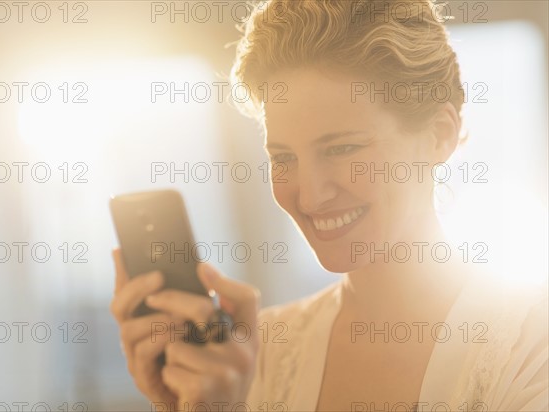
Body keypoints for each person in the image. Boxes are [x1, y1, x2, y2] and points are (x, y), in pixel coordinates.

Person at [110, 1, 548, 411]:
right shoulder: (257, 354)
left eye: (342, 149)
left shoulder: (530, 346)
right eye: (283, 158)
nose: (310, 195)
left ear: (438, 135)